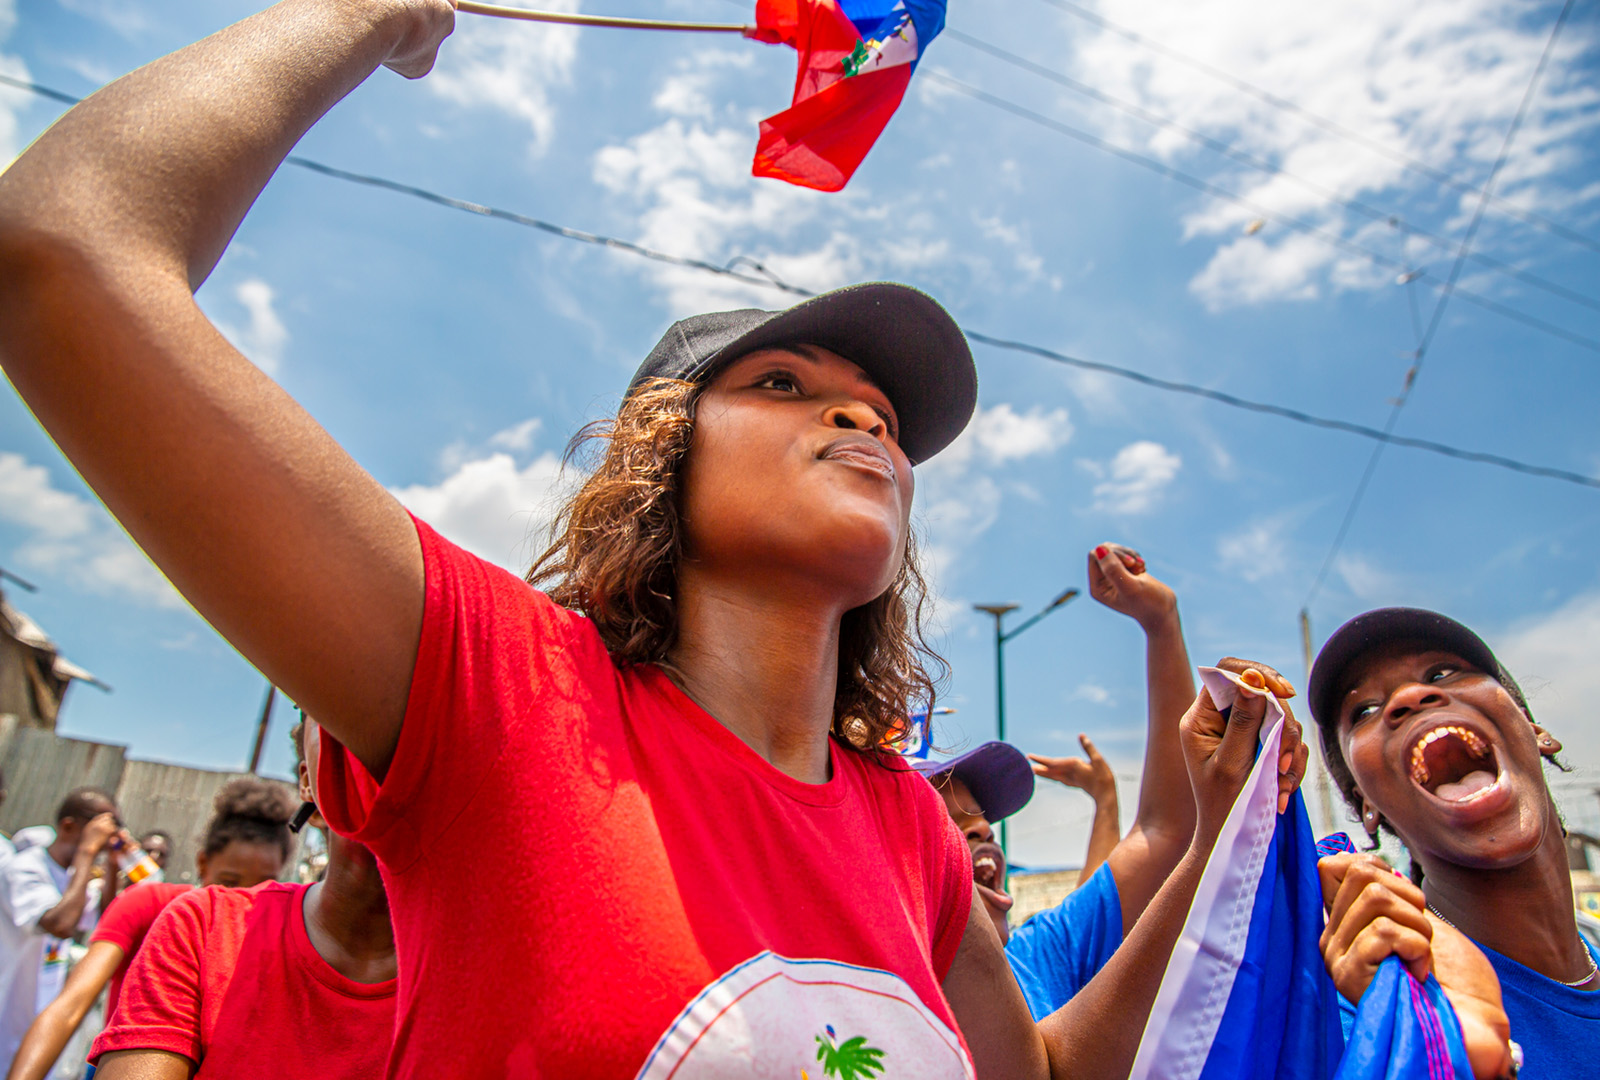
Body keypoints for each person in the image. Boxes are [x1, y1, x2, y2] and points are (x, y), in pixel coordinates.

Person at [0, 3, 1308, 1074]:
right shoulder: (501, 689)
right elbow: (66, 246)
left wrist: (1220, 846)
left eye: (882, 411)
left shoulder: (908, 824)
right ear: (658, 462)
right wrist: (364, 15)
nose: (862, 410)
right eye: (784, 385)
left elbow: (1043, 1076)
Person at [1308, 607, 1597, 1079]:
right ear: (1366, 804)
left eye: (1443, 672)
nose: (1410, 696)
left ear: (1534, 729)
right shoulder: (1364, 1022)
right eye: (1364, 711)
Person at [89, 716, 395, 1078]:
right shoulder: (203, 925)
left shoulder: (476, 974)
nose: (376, 733)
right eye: (329, 709)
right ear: (307, 781)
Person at [1004, 543, 1202, 1019]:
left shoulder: (1034, 961)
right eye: (962, 835)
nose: (986, 852)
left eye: (986, 832)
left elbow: (1165, 834)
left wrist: (1161, 625)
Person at [6, 779, 296, 1080]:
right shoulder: (150, 903)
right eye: (229, 882)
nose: (240, 901)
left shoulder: (279, 931)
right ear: (202, 863)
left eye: (263, 886)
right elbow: (71, 1005)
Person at [0, 790, 120, 1063]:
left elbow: (107, 917)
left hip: (34, 1016)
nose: (108, 832)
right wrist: (87, 853)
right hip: (6, 1011)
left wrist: (112, 864)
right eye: (101, 823)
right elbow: (61, 924)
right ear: (69, 825)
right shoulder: (25, 868)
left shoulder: (70, 878)